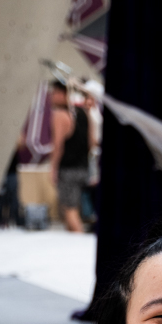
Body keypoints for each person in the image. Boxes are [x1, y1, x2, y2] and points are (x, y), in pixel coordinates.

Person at [50, 81, 94, 233]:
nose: (52, 97)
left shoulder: (60, 115)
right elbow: (91, 142)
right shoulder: (84, 114)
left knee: (70, 211)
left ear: (63, 94)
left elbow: (58, 145)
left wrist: (53, 169)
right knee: (73, 210)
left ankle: (80, 243)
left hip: (68, 169)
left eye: (54, 93)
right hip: (83, 168)